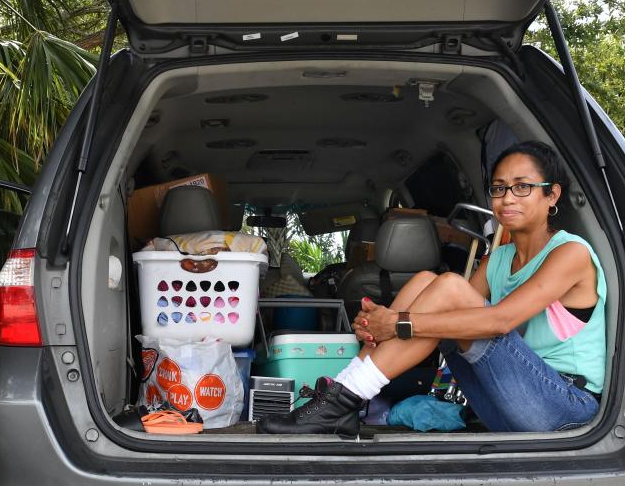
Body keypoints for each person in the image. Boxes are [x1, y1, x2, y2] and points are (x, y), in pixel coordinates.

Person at [258, 141, 606, 437]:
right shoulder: (500, 258)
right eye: (499, 188)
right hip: (505, 404)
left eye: (522, 186)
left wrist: (396, 323)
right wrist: (380, 328)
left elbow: (499, 321)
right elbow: (450, 315)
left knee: (449, 289)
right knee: (428, 281)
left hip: (563, 409)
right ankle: (341, 397)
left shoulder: (570, 253)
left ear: (552, 194)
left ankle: (344, 400)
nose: (507, 198)